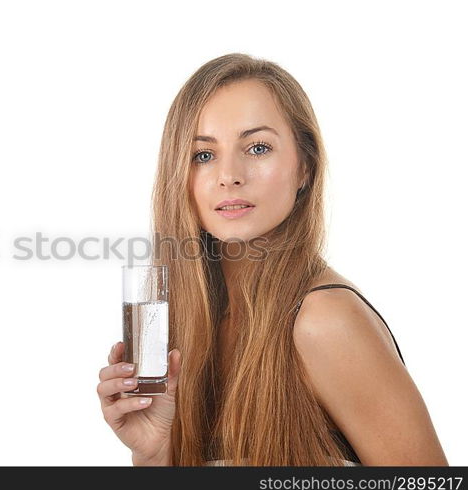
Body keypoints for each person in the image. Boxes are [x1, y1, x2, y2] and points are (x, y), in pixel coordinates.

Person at [97, 53, 448, 466]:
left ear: (304, 168)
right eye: (203, 155)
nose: (229, 174)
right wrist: (155, 453)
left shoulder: (323, 320)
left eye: (258, 147)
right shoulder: (185, 325)